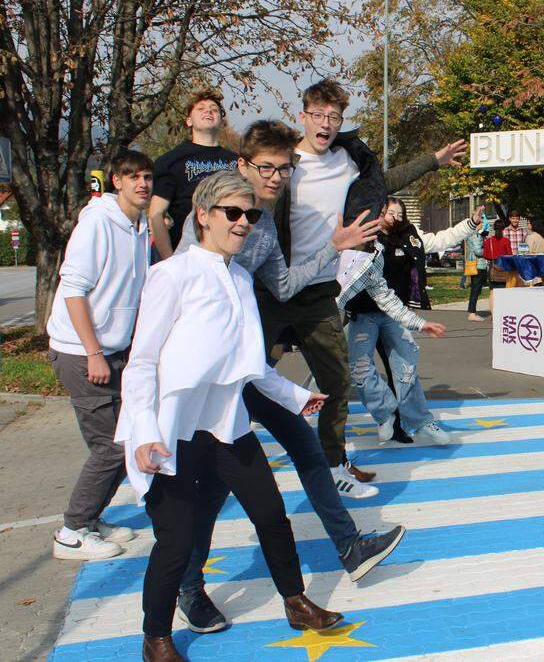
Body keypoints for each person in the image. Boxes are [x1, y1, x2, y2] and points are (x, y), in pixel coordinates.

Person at [173, 125, 404, 633]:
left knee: (302, 445)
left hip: (248, 366)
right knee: (213, 485)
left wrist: (333, 246)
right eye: (266, 168)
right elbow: (184, 284)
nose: (276, 177)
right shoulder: (211, 213)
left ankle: (348, 545)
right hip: (214, 378)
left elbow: (281, 285)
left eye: (284, 168)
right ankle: (188, 586)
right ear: (242, 165)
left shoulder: (266, 226)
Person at [116, 172, 340, 662]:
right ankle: (156, 639)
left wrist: (295, 396)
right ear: (203, 214)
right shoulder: (171, 275)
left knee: (272, 516)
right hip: (171, 431)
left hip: (226, 424)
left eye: (251, 215)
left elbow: (250, 362)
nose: (244, 223)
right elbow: (142, 363)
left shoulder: (240, 277)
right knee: (176, 542)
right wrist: (146, 433)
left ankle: (296, 602)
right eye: (233, 213)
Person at [261, 79, 466, 498]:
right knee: (246, 372)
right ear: (303, 116)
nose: (326, 124)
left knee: (336, 383)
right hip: (275, 285)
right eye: (318, 115)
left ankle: (334, 463)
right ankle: (210, 449)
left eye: (334, 117)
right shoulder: (283, 162)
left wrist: (434, 160)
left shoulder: (347, 161)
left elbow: (384, 181)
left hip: (321, 289)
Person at [46, 149, 153, 561]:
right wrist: (92, 352)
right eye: (133, 177)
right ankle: (71, 531)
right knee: (110, 447)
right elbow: (73, 290)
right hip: (80, 351)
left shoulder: (139, 225)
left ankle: (91, 519)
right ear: (116, 182)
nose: (142, 183)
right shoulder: (97, 222)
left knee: (125, 439)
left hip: (114, 349)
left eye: (147, 176)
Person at [343, 196, 479, 445]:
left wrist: (469, 224)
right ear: (379, 212)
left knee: (405, 369)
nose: (394, 217)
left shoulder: (410, 235)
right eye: (389, 212)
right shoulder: (366, 239)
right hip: (363, 313)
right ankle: (385, 415)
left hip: (395, 312)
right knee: (359, 368)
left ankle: (419, 421)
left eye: (399, 213)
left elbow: (440, 240)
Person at [149, 88, 238, 258]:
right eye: (201, 108)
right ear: (189, 121)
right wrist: (171, 261)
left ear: (221, 121)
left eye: (214, 109)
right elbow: (156, 214)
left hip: (228, 256)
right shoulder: (171, 161)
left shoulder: (237, 162)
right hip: (187, 253)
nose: (208, 111)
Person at [468, 217, 514, 318]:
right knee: (503, 292)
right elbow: (509, 255)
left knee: (492, 292)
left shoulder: (489, 241)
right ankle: (501, 314)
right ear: (503, 229)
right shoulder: (506, 241)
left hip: (493, 269)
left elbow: (486, 255)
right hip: (503, 268)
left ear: (494, 228)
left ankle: (494, 315)